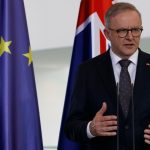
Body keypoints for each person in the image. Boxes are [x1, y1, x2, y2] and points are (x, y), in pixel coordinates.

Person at [64, 2, 150, 150]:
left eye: (136, 30)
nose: (130, 37)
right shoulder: (87, 71)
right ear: (107, 34)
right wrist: (91, 128)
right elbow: (71, 127)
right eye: (122, 31)